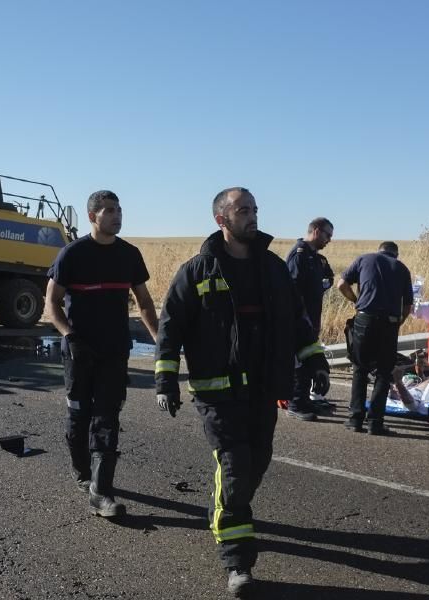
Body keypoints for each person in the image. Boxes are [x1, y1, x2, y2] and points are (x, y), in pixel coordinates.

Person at [154, 187, 328, 597]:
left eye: (254, 209)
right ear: (221, 220)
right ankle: (238, 561)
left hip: (264, 390)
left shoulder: (272, 268)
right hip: (218, 395)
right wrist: (165, 380)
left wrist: (316, 360)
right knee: (234, 468)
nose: (252, 216)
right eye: (242, 210)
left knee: (257, 463)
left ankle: (225, 512)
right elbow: (170, 328)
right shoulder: (197, 271)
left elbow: (298, 321)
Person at [44, 190, 158, 518]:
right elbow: (51, 303)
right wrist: (70, 335)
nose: (117, 216)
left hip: (114, 351)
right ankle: (83, 473)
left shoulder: (129, 255)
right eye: (109, 210)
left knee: (108, 417)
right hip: (79, 352)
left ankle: (101, 490)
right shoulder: (72, 254)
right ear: (93, 216)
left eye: (119, 210)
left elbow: (145, 303)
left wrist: (159, 340)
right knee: (79, 416)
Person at [337, 241, 413, 435]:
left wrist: (356, 301)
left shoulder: (364, 259)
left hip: (365, 319)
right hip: (389, 323)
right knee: (383, 371)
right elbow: (407, 307)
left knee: (360, 369)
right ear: (395, 254)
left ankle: (355, 419)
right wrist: (397, 324)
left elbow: (341, 284)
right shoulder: (402, 268)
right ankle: (375, 422)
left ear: (379, 250)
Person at [284, 217, 335, 420]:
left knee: (309, 360)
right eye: (327, 235)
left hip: (312, 318)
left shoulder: (316, 258)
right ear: (315, 230)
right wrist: (301, 317)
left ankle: (304, 400)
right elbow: (292, 290)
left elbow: (327, 279)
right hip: (299, 320)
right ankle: (295, 403)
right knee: (300, 360)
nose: (329, 240)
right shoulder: (299, 255)